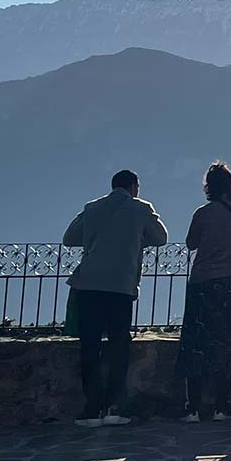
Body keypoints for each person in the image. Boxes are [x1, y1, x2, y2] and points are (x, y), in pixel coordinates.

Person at [62, 169, 168, 428]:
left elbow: (69, 238)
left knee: (90, 347)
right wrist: (136, 238)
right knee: (119, 345)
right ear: (134, 187)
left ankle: (91, 408)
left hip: (89, 285)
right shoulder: (141, 208)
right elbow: (161, 238)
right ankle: (115, 406)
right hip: (120, 285)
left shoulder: (92, 207)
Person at [176, 162, 231, 423]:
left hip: (201, 282)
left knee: (196, 343)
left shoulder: (203, 213)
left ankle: (193, 406)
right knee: (224, 342)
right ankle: (221, 404)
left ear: (209, 186)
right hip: (228, 281)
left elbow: (191, 242)